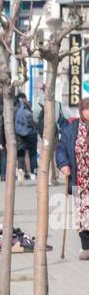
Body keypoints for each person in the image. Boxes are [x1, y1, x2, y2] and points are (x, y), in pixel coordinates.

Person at [55, 94, 89, 260]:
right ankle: (86, 247)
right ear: (81, 111)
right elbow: (61, 148)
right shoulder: (72, 128)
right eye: (86, 109)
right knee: (81, 214)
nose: (88, 112)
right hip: (79, 180)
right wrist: (63, 164)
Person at [14, 92, 38, 181]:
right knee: (33, 154)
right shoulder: (28, 106)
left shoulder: (15, 109)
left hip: (19, 134)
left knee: (20, 153)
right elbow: (34, 121)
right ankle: (33, 172)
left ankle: (20, 169)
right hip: (31, 134)